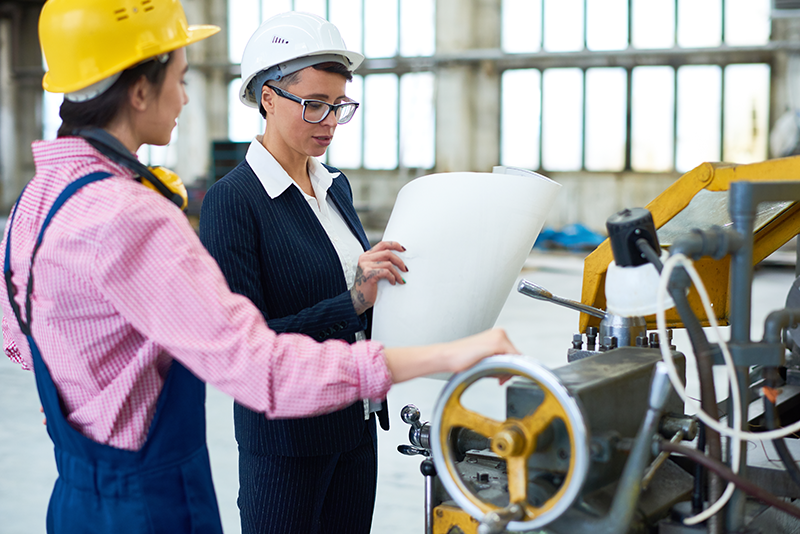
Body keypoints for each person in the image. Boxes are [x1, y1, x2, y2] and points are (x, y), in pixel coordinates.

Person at [1, 1, 519, 533]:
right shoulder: (135, 213)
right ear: (138, 91)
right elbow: (259, 367)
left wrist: (84, 387)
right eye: (181, 79)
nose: (184, 96)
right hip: (146, 499)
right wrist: (448, 353)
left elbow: (20, 339)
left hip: (79, 486)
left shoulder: (37, 202)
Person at [198, 12, 410, 534]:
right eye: (314, 104)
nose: (329, 121)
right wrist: (353, 299)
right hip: (287, 440)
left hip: (356, 422)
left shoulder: (335, 187)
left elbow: (354, 297)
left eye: (339, 106)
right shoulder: (234, 201)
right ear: (268, 98)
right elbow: (244, 347)